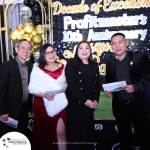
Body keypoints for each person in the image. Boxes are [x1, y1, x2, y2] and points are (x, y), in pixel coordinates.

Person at [104, 33, 150, 150]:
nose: (117, 46)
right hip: (120, 108)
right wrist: (109, 92)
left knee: (144, 138)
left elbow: (148, 78)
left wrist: (135, 87)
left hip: (139, 106)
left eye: (120, 42)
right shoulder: (109, 63)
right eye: (114, 43)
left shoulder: (140, 57)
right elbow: (109, 82)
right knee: (124, 140)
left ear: (126, 43)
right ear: (111, 46)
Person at [28, 43, 67, 150]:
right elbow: (32, 89)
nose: (51, 54)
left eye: (53, 51)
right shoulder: (37, 68)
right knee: (45, 137)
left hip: (59, 104)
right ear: (43, 55)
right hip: (41, 106)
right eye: (47, 53)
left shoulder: (64, 66)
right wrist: (45, 95)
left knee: (61, 134)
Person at [65, 40, 100, 150]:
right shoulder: (72, 63)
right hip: (76, 106)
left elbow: (97, 85)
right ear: (77, 50)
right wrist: (85, 101)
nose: (84, 51)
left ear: (90, 50)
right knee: (76, 138)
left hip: (89, 107)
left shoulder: (94, 64)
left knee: (87, 136)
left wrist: (95, 100)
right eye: (81, 48)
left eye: (87, 48)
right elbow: (72, 85)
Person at [0, 39, 33, 137]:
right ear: (16, 49)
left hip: (24, 109)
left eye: (28, 49)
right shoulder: (6, 66)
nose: (25, 51)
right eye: (23, 48)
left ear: (31, 52)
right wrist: (3, 111)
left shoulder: (30, 67)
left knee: (21, 137)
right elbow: (1, 90)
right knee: (10, 138)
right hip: (10, 111)